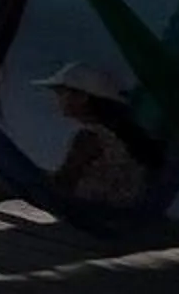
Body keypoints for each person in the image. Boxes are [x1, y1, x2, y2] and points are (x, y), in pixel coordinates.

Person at [37, 61, 164, 205]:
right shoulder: (124, 134)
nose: (57, 100)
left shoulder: (89, 138)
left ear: (82, 97)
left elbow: (61, 185)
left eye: (61, 93)